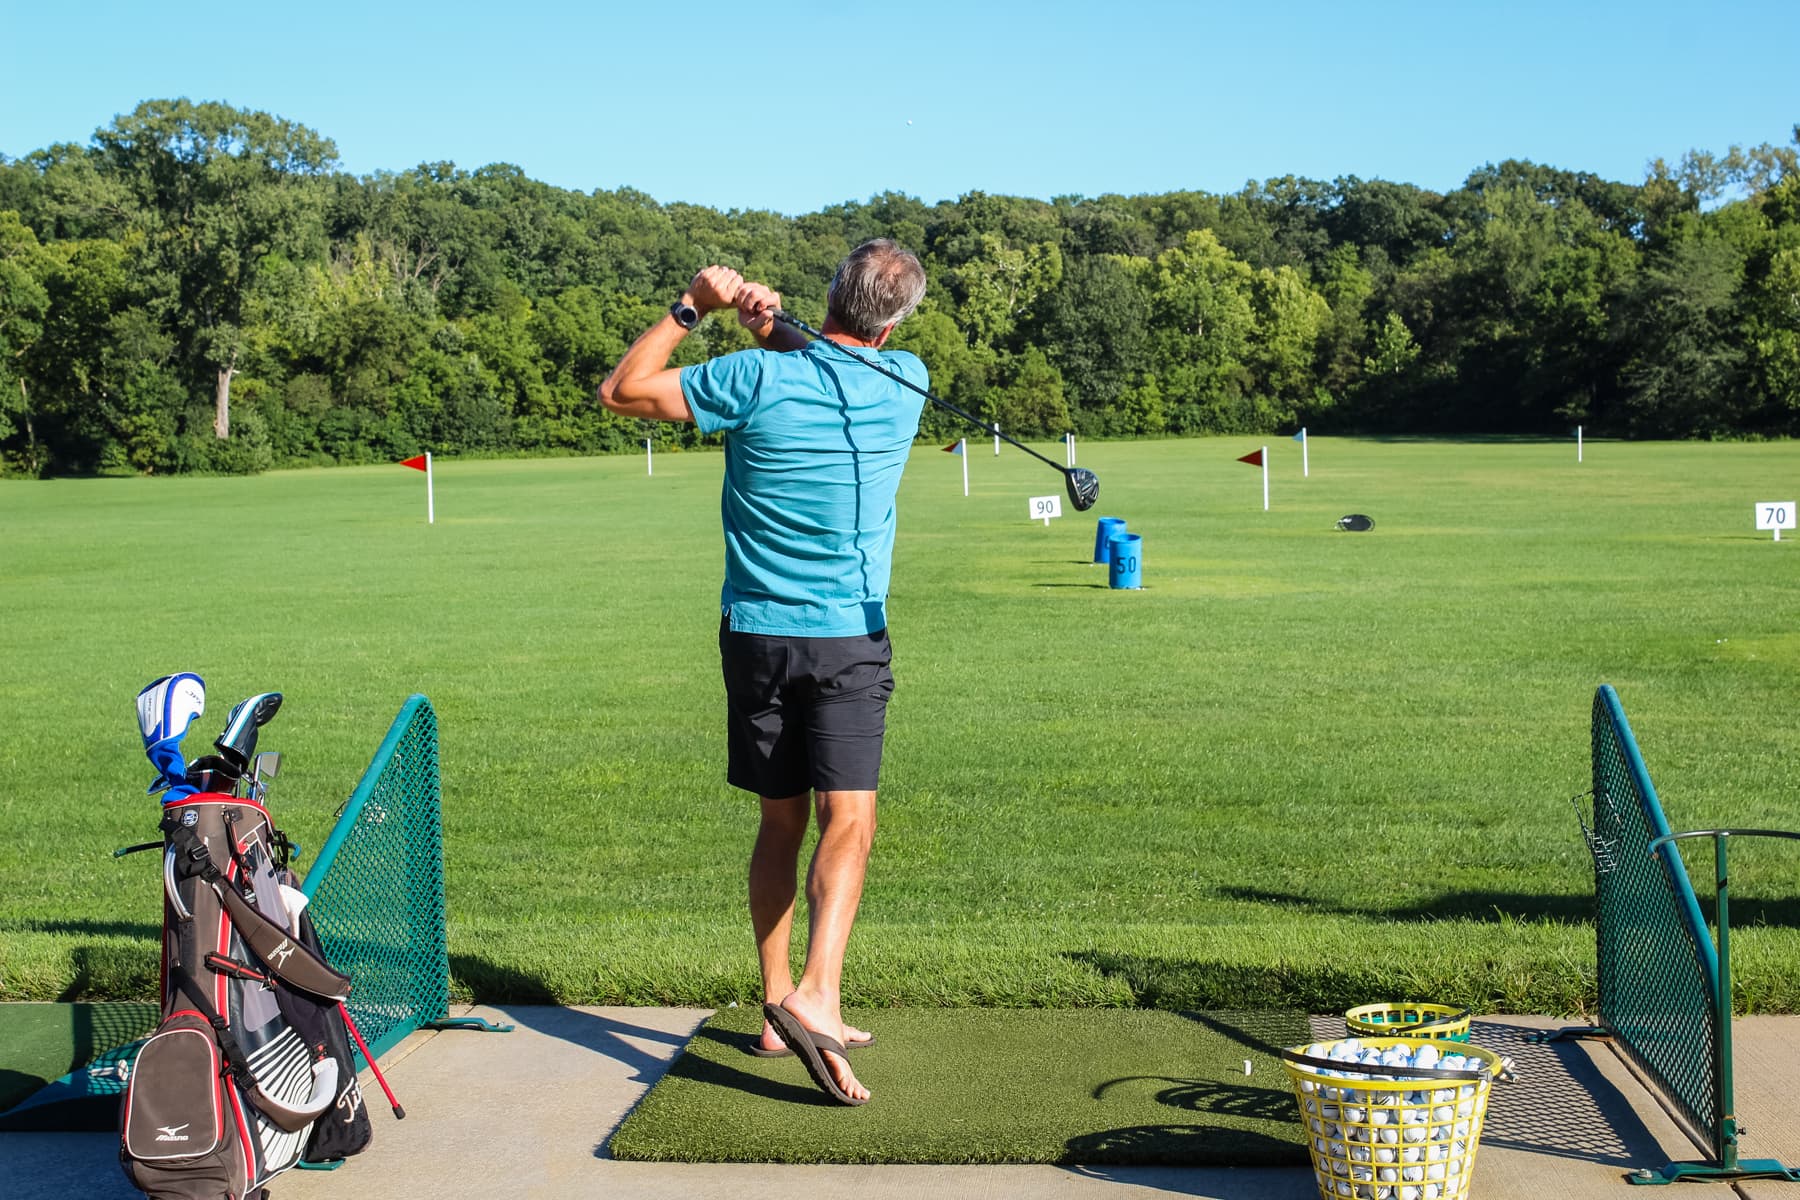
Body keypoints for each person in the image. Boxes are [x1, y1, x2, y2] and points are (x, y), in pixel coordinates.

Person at [596, 240, 929, 1106]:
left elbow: (622, 390)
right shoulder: (909, 381)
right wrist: (770, 325)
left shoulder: (750, 380)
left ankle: (781, 1005)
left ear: (831, 295)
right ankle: (816, 994)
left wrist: (693, 307)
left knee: (780, 824)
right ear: (895, 322)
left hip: (756, 637)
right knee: (848, 821)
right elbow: (841, 366)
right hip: (849, 636)